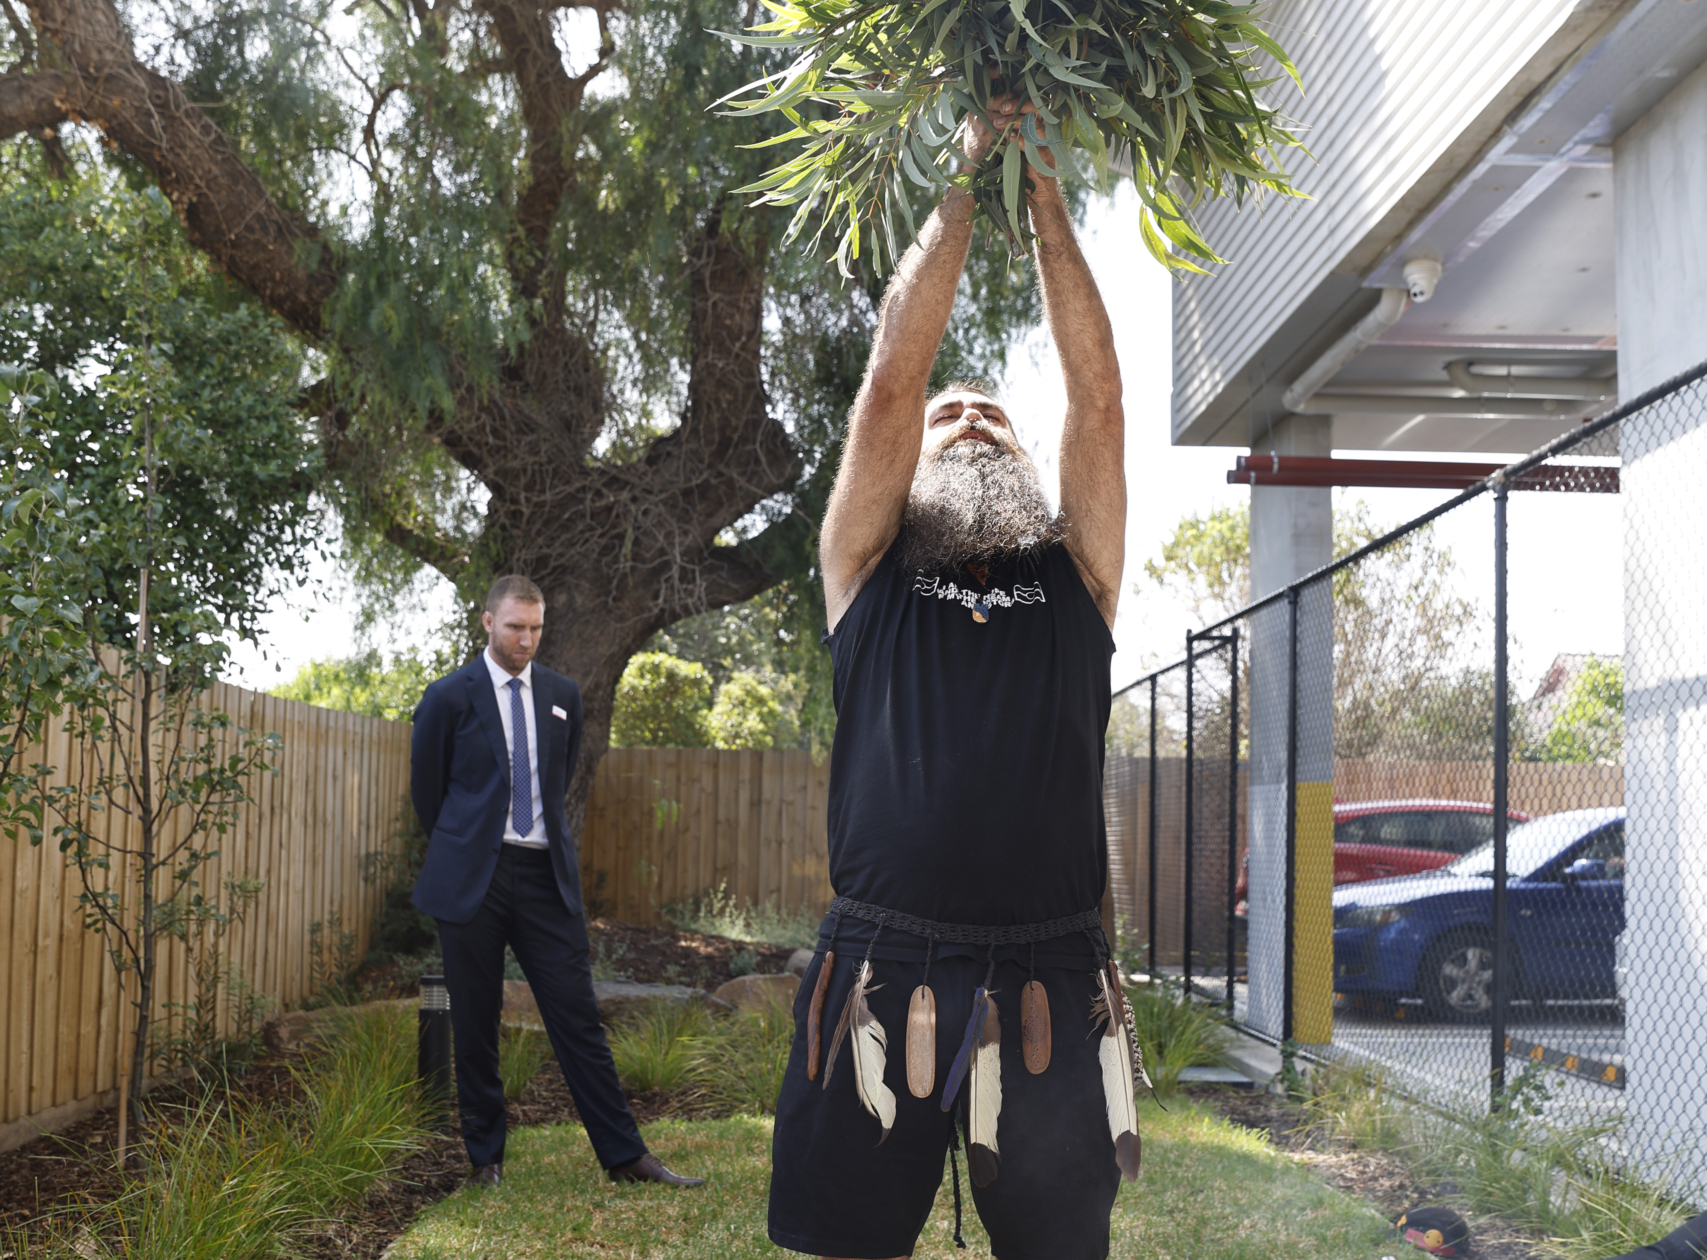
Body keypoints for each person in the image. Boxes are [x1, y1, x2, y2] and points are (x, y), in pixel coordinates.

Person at [767, 94, 1128, 1260]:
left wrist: (1047, 200)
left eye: (994, 416)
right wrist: (966, 182)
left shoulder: (1081, 573)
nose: (971, 419)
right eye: (951, 416)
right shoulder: (864, 567)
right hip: (881, 966)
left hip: (1051, 978)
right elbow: (889, 381)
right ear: (911, 457)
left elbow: (1101, 399)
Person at [410, 575, 705, 1190]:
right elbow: (428, 796)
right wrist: (472, 847)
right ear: (488, 622)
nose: (526, 639)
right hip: (474, 881)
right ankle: (485, 1159)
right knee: (476, 1020)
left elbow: (559, 777)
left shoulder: (562, 695)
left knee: (578, 1018)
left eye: (536, 628)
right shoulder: (448, 697)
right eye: (515, 626)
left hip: (546, 878)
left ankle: (625, 1155)